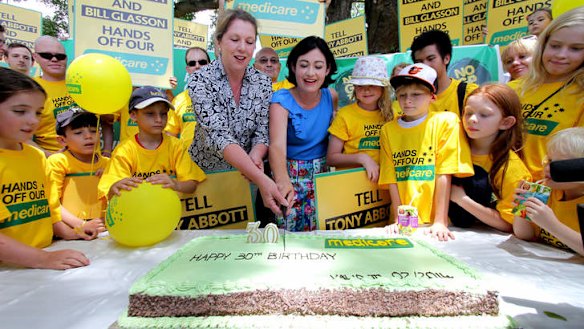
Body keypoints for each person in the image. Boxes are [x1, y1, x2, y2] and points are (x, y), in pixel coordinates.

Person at [186, 9, 286, 215]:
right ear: (219, 42)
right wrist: (261, 178)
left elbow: (263, 130)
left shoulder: (263, 82)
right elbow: (219, 136)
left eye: (249, 42)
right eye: (234, 39)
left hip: (246, 176)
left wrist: (256, 156)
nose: (242, 48)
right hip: (205, 176)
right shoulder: (200, 81)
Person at [0, 68, 91, 270]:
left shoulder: (37, 156)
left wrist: (72, 232)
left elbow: (50, 209)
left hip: (41, 262)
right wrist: (43, 259)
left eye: (38, 112)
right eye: (20, 111)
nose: (33, 120)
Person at [378, 63, 473, 241]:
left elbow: (445, 172)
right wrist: (400, 219)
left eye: (416, 94)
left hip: (438, 224)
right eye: (402, 95)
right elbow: (391, 178)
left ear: (432, 96)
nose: (408, 100)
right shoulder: (388, 130)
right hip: (404, 222)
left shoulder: (446, 122)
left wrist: (440, 221)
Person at [269, 36, 339, 232]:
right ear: (293, 67)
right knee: (289, 238)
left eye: (318, 66)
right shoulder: (280, 100)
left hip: (322, 178)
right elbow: (276, 146)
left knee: (323, 234)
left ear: (327, 69)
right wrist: (283, 183)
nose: (310, 73)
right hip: (288, 177)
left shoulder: (331, 96)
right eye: (304, 65)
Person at [509, 7, 584, 181]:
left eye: (575, 48)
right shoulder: (513, 89)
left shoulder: (580, 95)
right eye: (555, 45)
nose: (561, 55)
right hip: (504, 196)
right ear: (543, 44)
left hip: (552, 202)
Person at [449, 84, 532, 232]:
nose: (472, 119)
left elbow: (511, 225)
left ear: (506, 122)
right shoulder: (450, 145)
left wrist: (462, 200)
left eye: (484, 115)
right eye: (468, 113)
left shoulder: (513, 170)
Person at [98, 86, 206, 200]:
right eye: (150, 113)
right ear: (133, 115)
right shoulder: (124, 150)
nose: (159, 119)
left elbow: (192, 184)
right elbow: (109, 192)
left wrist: (176, 184)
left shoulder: (176, 146)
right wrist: (113, 189)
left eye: (163, 114)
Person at [513, 127, 584, 256]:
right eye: (549, 160)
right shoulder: (547, 193)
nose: (547, 168)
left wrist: (551, 224)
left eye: (560, 164)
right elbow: (524, 235)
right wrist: (522, 209)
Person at [327, 56, 393, 182]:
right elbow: (331, 158)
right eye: (360, 85)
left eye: (372, 85)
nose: (366, 90)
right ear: (354, 87)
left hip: (385, 184)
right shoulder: (345, 115)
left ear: (383, 87)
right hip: (352, 185)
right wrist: (362, 158)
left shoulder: (393, 113)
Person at [47, 107, 110, 235]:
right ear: (62, 140)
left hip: (105, 231)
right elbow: (52, 204)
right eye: (78, 133)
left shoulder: (108, 163)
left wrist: (111, 181)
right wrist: (82, 225)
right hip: (70, 232)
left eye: (93, 131)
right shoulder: (58, 162)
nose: (88, 136)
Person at [409, 29, 478, 117]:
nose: (425, 65)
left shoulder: (469, 94)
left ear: (446, 58)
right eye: (419, 61)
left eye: (431, 59)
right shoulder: (409, 99)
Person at [166, 46, 210, 150]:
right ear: (188, 69)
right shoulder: (178, 100)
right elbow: (170, 136)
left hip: (220, 165)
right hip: (186, 164)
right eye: (192, 63)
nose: (197, 66)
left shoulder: (225, 95)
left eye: (202, 62)